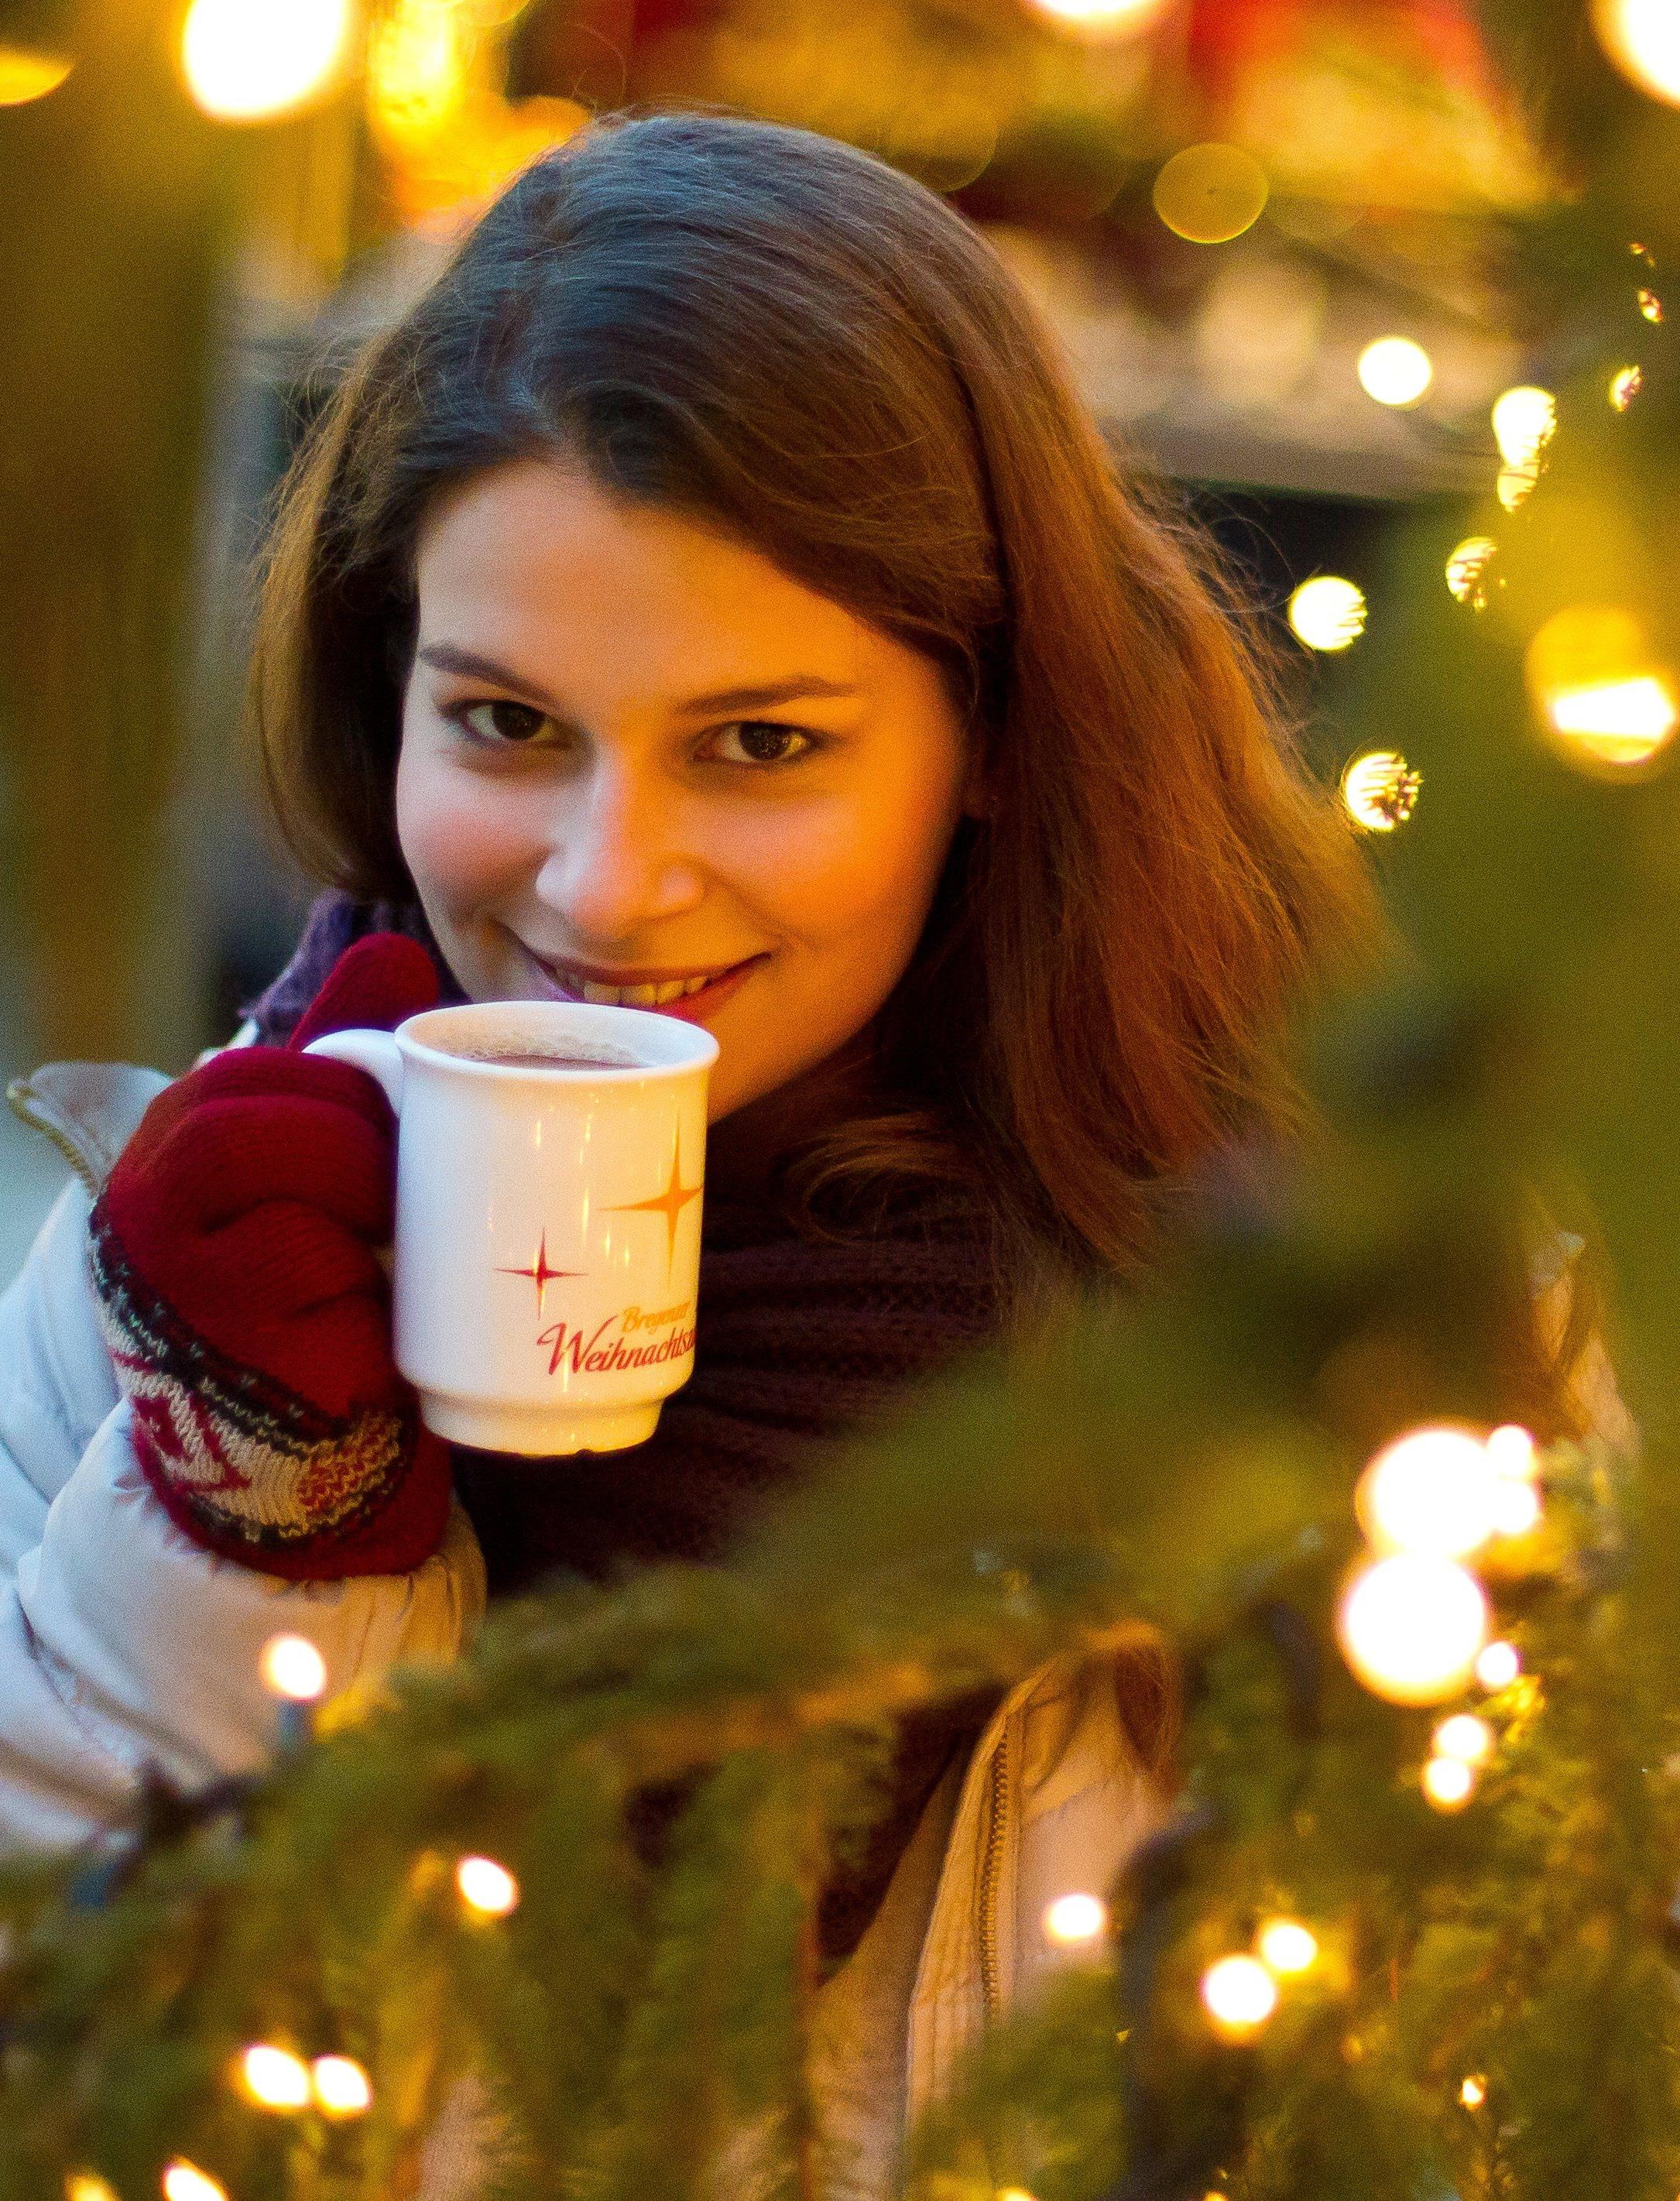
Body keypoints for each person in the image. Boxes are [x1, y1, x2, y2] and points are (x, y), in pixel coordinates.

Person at [0, 111, 1380, 2184]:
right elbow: (65, 2057)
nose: (607, 881)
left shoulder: (1333, 1293)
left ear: (995, 730)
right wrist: (248, 1522)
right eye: (506, 722)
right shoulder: (187, 1259)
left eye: (760, 744)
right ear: (387, 695)